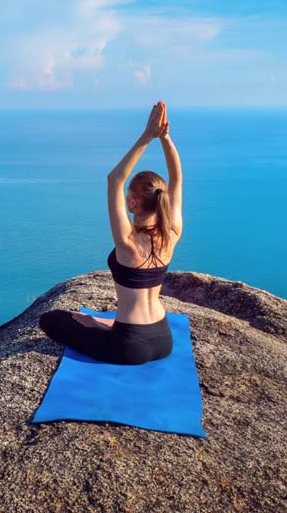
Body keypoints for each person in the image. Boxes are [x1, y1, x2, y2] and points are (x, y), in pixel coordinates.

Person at [39, 101, 183, 364]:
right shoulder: (172, 234)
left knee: (51, 320)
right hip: (164, 338)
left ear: (133, 203)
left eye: (129, 195)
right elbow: (177, 178)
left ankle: (105, 328)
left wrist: (147, 136)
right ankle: (105, 326)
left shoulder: (127, 241)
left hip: (128, 345)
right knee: (90, 323)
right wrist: (165, 138)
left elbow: (114, 179)